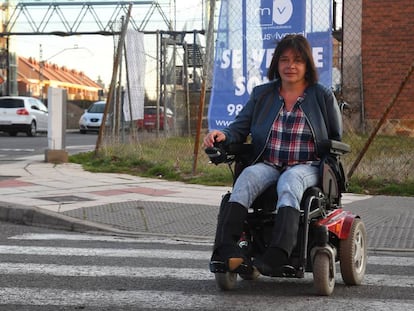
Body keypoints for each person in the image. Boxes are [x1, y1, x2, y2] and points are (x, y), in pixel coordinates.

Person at [203, 34, 343, 275]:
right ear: (276, 64)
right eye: (284, 60)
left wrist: (328, 158)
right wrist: (223, 135)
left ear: (307, 65)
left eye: (298, 60)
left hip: (306, 165)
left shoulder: (321, 95)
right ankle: (226, 249)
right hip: (268, 162)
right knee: (246, 178)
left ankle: (280, 252)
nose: (291, 66)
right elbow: (239, 127)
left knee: (290, 181)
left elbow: (335, 138)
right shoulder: (262, 94)